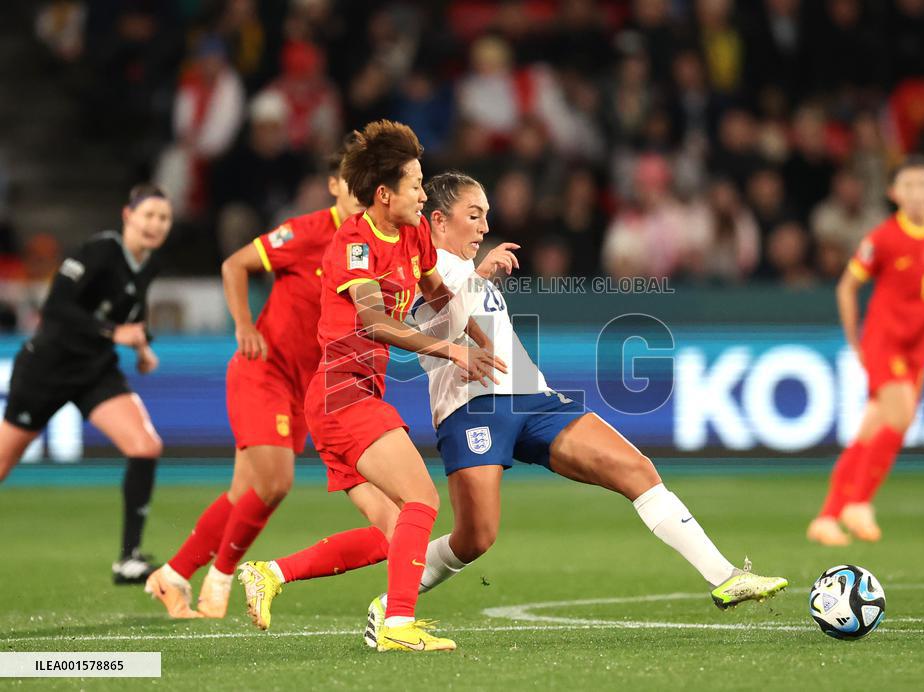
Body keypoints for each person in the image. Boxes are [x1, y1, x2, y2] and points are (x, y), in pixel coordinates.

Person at [361, 171, 788, 646]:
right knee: (475, 537)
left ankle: (725, 576)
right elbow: (440, 325)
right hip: (471, 410)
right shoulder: (418, 267)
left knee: (635, 468)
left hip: (534, 399)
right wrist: (477, 277)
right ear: (438, 220)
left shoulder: (464, 267)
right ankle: (393, 603)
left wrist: (478, 275)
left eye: (487, 216)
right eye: (474, 215)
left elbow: (467, 313)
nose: (484, 228)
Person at [237, 121, 503, 653]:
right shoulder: (353, 242)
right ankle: (397, 627)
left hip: (354, 395)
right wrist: (451, 350)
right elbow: (374, 322)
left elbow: (439, 298)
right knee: (422, 500)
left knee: (393, 534)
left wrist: (475, 337)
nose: (424, 194)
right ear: (384, 194)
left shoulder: (413, 235)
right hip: (341, 393)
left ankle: (270, 574)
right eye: (416, 185)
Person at [145, 140, 369, 619]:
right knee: (276, 482)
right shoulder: (307, 232)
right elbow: (234, 265)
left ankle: (172, 576)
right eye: (352, 184)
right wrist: (244, 325)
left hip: (305, 387)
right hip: (263, 369)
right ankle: (222, 578)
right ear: (334, 187)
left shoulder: (366, 247)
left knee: (243, 493)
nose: (360, 194)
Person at [0, 183, 171, 584]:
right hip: (47, 368)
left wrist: (142, 346)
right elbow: (55, 308)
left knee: (146, 445)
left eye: (163, 218)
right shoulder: (99, 251)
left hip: (94, 370)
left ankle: (128, 559)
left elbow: (131, 312)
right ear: (128, 216)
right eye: (148, 215)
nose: (156, 224)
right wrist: (114, 333)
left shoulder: (149, 265)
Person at [808, 155, 924, 546]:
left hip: (921, 343)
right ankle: (859, 503)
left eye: (923, 185)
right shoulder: (882, 238)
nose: (916, 193)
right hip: (884, 340)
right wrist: (854, 339)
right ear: (893, 193)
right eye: (908, 186)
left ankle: (828, 516)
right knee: (900, 417)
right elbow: (846, 287)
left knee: (872, 430)